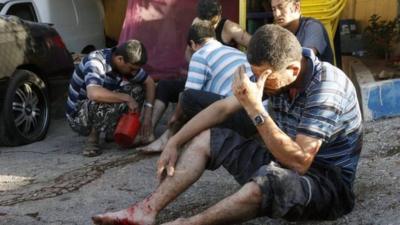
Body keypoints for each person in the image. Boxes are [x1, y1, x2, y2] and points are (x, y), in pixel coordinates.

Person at [91, 24, 363, 225]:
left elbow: (300, 162)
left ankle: (191, 224)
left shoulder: (327, 88)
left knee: (268, 184)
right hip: (282, 159)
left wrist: (256, 109)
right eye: (256, 75)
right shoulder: (276, 74)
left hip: (325, 183)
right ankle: (146, 210)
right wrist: (173, 141)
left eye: (265, 78)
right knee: (209, 137)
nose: (259, 83)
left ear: (293, 70)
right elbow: (221, 108)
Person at [143, 0, 252, 146]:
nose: (207, 22)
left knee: (188, 97)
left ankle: (170, 138)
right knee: (165, 85)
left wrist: (175, 117)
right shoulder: (198, 29)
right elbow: (189, 56)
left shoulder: (230, 28)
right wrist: (196, 67)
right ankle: (147, 131)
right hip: (208, 78)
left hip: (232, 98)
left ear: (219, 16)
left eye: (211, 19)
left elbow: (253, 45)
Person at [66, 39, 155, 157]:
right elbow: (93, 93)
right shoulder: (95, 61)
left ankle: (115, 131)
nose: (134, 73)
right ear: (120, 59)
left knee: (138, 89)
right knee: (105, 97)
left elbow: (149, 82)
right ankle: (93, 139)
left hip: (95, 104)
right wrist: (126, 98)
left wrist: (148, 115)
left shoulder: (125, 63)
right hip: (78, 116)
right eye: (132, 69)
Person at [270, 0, 334, 64]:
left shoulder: (313, 27)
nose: (277, 14)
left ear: (296, 7)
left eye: (281, 7)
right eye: (274, 9)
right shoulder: (278, 32)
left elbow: (304, 61)